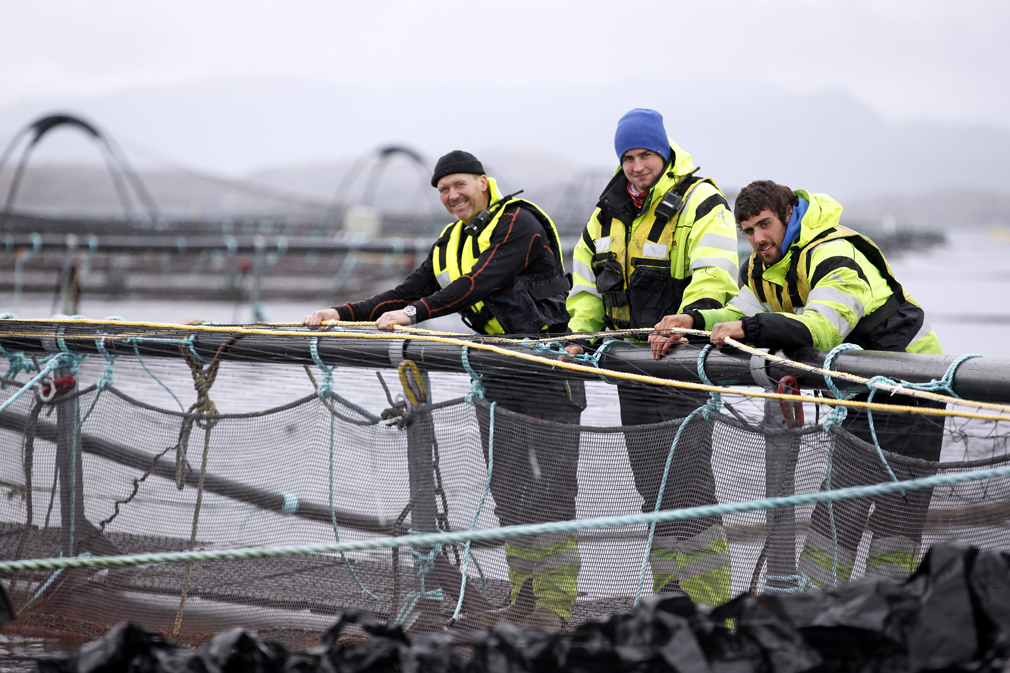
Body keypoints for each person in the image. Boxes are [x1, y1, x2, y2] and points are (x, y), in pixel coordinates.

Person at [302, 150, 584, 629]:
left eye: (460, 185)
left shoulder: (519, 222)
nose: (453, 196)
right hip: (497, 373)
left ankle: (554, 607)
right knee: (509, 490)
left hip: (549, 371)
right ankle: (524, 596)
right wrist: (340, 312)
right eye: (443, 190)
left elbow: (481, 281)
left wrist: (415, 315)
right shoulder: (450, 242)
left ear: (483, 182)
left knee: (552, 494)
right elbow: (405, 292)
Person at [651, 179, 945, 587]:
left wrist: (750, 328)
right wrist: (692, 322)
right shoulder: (762, 269)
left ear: (789, 214)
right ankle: (817, 607)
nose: (758, 238)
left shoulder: (833, 255)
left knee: (898, 517)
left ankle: (887, 607)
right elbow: (737, 314)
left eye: (765, 225)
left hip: (914, 389)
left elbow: (822, 328)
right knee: (838, 509)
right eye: (748, 231)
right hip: (858, 392)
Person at [564, 109, 740, 606]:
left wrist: (687, 320)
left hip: (682, 368)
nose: (638, 166)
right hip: (631, 372)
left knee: (691, 489)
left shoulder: (701, 202)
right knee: (653, 488)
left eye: (646, 155)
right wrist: (579, 338)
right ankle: (670, 604)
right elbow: (586, 290)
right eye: (628, 158)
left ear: (663, 153)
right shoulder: (603, 215)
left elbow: (716, 274)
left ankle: (712, 610)